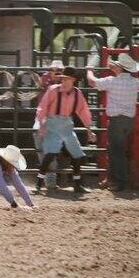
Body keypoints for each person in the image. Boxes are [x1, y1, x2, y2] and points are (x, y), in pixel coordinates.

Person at [35, 66, 96, 194]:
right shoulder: (53, 90)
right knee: (50, 154)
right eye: (63, 79)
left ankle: (77, 184)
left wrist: (89, 129)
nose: (64, 81)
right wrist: (41, 124)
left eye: (66, 79)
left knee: (77, 154)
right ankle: (39, 184)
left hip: (67, 124)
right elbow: (43, 107)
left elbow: (83, 111)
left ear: (73, 79)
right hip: (52, 123)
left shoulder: (77, 93)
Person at [86, 54, 139, 191]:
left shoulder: (112, 81)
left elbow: (92, 82)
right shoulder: (135, 82)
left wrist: (89, 70)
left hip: (116, 121)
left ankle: (120, 182)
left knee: (117, 152)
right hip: (129, 121)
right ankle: (111, 179)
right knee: (115, 150)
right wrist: (114, 67)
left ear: (120, 68)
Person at [32, 59, 65, 188]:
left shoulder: (64, 85)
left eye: (58, 71)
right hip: (44, 118)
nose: (55, 73)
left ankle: (49, 180)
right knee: (41, 145)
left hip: (55, 120)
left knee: (50, 150)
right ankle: (47, 179)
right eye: (52, 70)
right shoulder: (45, 82)